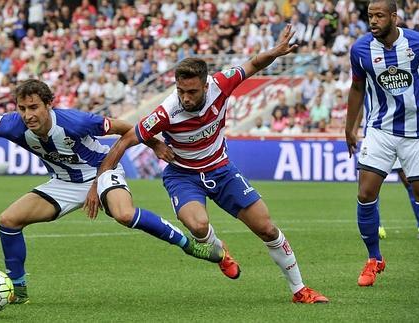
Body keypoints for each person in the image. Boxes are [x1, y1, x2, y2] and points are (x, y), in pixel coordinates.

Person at [0, 79, 226, 305]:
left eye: (34, 107)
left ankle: (189, 246)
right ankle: (18, 289)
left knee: (123, 213)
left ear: (49, 104)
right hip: (63, 183)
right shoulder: (13, 124)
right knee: (8, 219)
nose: (28, 114)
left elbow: (125, 127)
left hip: (102, 171)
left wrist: (154, 142)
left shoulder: (75, 121)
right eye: (22, 108)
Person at [85, 25, 328, 304]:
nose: (185, 97)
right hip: (183, 175)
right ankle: (221, 252)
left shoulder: (222, 84)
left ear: (205, 84)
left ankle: (299, 290)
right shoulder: (166, 112)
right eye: (180, 91)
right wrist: (98, 182)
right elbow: (125, 141)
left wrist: (275, 51)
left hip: (221, 169)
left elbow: (253, 64)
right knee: (198, 226)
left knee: (267, 229)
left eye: (191, 91)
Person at [345, 0, 419, 287]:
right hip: (379, 130)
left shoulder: (416, 43)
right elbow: (356, 87)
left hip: (415, 131)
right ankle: (374, 258)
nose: (373, 21)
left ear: (394, 17)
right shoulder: (361, 50)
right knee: (365, 193)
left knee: (418, 191)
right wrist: (349, 127)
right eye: (369, 16)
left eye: (379, 16)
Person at [377, 161, 419, 240]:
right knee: (371, 187)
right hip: (378, 149)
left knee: (411, 185)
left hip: (403, 150)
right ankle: (375, 227)